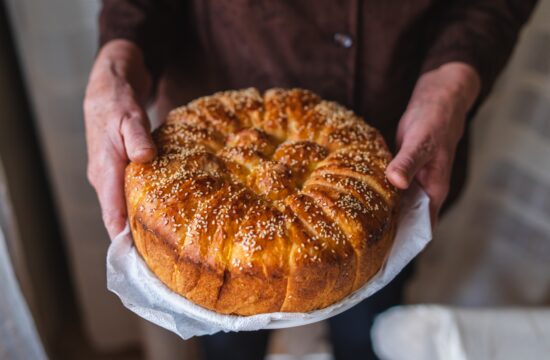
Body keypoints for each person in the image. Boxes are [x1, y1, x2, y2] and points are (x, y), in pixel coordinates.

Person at [84, 1, 536, 359]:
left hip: (400, 151)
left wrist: (450, 87)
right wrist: (115, 63)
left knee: (369, 333)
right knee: (226, 343)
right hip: (207, 119)